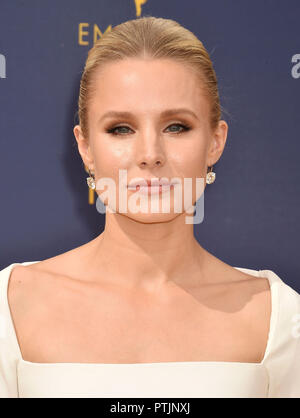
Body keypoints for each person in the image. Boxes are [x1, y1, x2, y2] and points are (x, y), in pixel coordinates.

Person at [1, 15, 299, 398]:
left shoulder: (278, 318)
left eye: (176, 126)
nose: (150, 155)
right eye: (121, 128)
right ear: (85, 147)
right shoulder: (10, 308)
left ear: (215, 142)